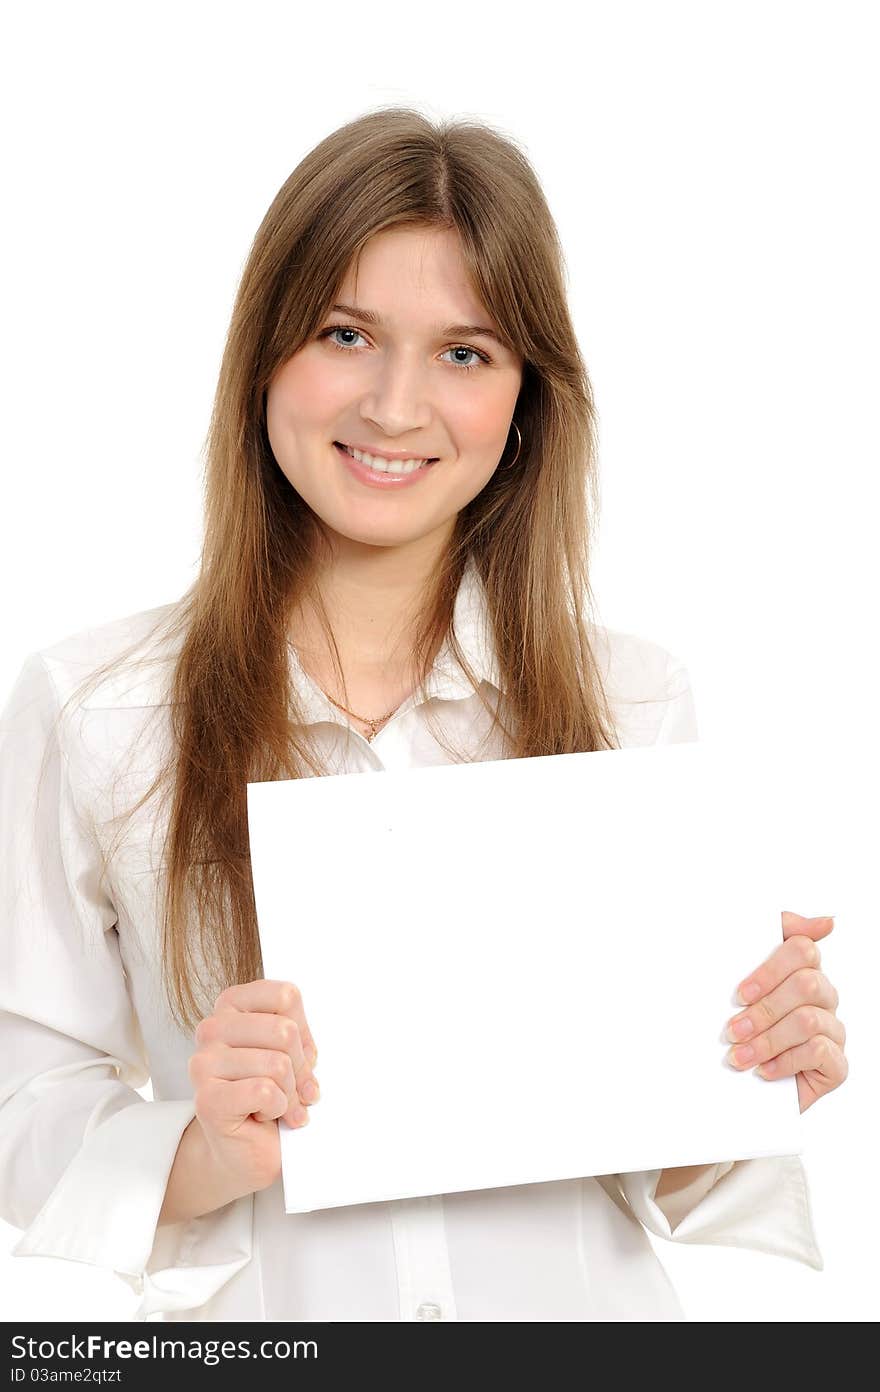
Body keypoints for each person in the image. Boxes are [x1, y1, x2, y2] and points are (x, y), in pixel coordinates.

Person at [0, 107, 847, 1323]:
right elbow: (21, 1099)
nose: (397, 407)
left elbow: (658, 1162)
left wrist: (749, 1066)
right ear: (265, 356)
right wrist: (206, 1147)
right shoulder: (95, 708)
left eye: (466, 352)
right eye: (347, 334)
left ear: (524, 401)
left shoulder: (635, 701)